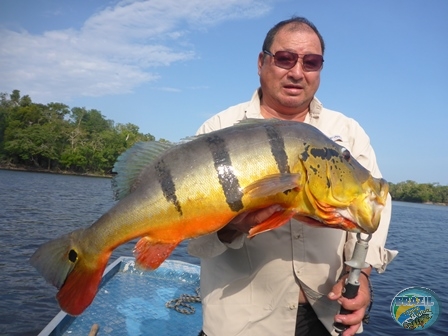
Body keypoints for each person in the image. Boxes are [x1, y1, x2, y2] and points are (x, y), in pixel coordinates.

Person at [187, 16, 397, 336]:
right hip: (241, 325)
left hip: (327, 317)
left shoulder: (347, 134)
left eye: (311, 62)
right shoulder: (217, 131)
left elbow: (370, 208)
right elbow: (195, 238)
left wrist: (362, 275)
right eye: (285, 58)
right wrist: (235, 226)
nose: (297, 72)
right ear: (261, 62)